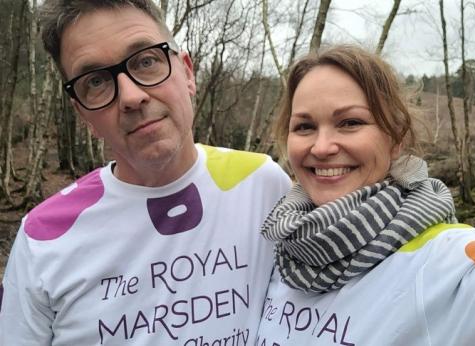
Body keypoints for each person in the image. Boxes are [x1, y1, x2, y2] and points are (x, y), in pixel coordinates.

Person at [0, 1, 291, 345]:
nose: (132, 96)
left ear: (187, 73)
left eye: (147, 61)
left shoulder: (264, 185)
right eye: (96, 81)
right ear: (83, 115)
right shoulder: (44, 238)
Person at [256, 45, 475, 346]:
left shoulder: (445, 263)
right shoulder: (281, 251)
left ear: (396, 137)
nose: (321, 147)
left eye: (350, 123)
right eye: (304, 126)